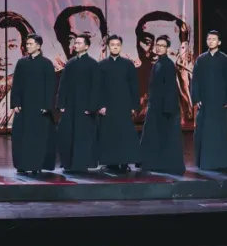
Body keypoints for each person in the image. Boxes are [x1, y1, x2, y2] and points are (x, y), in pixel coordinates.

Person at [9, 34, 57, 174]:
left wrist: (47, 106)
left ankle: (37, 165)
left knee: (38, 138)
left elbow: (51, 87)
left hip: (40, 107)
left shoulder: (46, 63)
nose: (28, 46)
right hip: (24, 107)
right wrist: (16, 103)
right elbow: (16, 84)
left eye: (30, 44)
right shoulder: (21, 63)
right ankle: (22, 165)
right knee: (22, 137)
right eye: (27, 44)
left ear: (38, 46)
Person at [139, 35, 185, 175]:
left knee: (164, 136)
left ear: (167, 48)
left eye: (162, 46)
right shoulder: (158, 63)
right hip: (156, 106)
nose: (159, 48)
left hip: (164, 108)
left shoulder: (168, 64)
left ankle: (163, 165)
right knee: (154, 136)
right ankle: (153, 163)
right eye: (157, 45)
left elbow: (170, 88)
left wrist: (167, 109)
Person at [55, 34, 102, 173]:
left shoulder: (93, 64)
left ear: (86, 46)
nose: (76, 45)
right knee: (67, 134)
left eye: (79, 43)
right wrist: (61, 103)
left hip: (85, 107)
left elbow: (96, 87)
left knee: (83, 136)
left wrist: (92, 107)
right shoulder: (70, 63)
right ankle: (68, 163)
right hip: (70, 105)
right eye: (75, 43)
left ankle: (82, 163)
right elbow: (63, 84)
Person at [191, 30, 227, 169]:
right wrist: (197, 97)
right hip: (205, 101)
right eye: (209, 39)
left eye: (214, 39)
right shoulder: (201, 59)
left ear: (219, 42)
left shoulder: (225, 59)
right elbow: (195, 80)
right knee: (204, 132)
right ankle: (205, 162)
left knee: (219, 132)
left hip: (220, 101)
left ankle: (220, 162)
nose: (210, 41)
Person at [97, 34, 140, 171]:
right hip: (108, 105)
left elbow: (134, 86)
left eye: (118, 45)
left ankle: (125, 162)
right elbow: (98, 87)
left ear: (121, 46)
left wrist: (134, 106)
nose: (115, 47)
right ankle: (111, 163)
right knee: (109, 134)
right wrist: (101, 105)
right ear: (108, 47)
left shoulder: (128, 64)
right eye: (112, 45)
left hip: (124, 104)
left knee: (124, 134)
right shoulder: (101, 65)